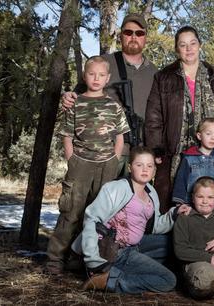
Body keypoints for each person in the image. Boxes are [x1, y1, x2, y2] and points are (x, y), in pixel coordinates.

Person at [46, 56, 130, 275]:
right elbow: (66, 134)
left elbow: (120, 135)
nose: (96, 78)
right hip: (81, 163)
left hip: (106, 164)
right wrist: (71, 158)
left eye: (101, 75)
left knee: (96, 214)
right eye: (92, 74)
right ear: (85, 76)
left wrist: (114, 158)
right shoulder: (76, 103)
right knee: (71, 212)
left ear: (108, 78)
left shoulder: (113, 105)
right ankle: (55, 259)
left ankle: (79, 258)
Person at [145, 25, 214, 213]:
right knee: (171, 206)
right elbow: (154, 117)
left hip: (211, 155)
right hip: (174, 154)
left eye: (193, 43)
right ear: (176, 49)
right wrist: (156, 150)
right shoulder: (163, 77)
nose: (188, 49)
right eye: (183, 45)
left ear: (200, 45)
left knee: (209, 205)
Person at [71, 147, 190, 293]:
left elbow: (155, 226)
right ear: (129, 167)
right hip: (115, 250)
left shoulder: (151, 192)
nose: (145, 169)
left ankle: (126, 271)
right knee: (168, 280)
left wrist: (175, 213)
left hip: (136, 245)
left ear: (154, 171)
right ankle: (108, 281)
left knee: (174, 243)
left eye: (149, 166)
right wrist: (93, 262)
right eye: (139, 165)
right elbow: (92, 221)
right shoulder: (115, 188)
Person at [62, 13, 157, 176]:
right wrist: (69, 97)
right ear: (121, 36)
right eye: (128, 32)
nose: (134, 37)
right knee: (99, 199)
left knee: (132, 201)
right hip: (102, 152)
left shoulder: (155, 72)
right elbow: (77, 95)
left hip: (139, 155)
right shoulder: (103, 63)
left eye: (139, 33)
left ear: (145, 38)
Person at [172, 117, 214, 206]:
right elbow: (181, 179)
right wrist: (179, 202)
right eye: (208, 134)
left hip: (212, 205)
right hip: (190, 203)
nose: (213, 138)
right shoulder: (189, 157)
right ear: (199, 136)